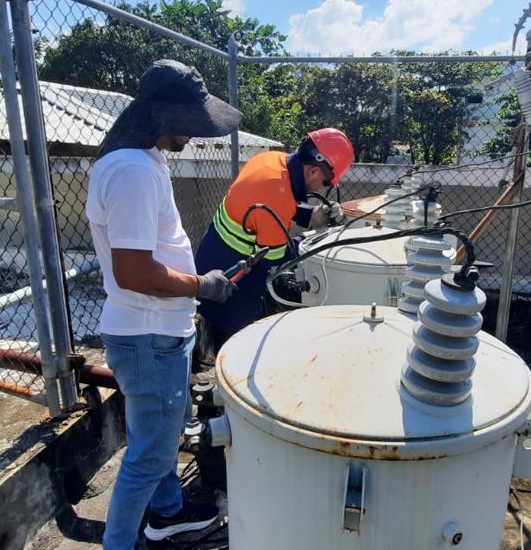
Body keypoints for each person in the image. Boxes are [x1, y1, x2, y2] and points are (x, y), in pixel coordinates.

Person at [86, 59, 240, 549]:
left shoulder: (139, 160)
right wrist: (201, 284)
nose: (195, 134)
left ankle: (169, 512)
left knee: (152, 436)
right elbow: (135, 273)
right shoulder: (133, 172)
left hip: (150, 331)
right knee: (150, 456)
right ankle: (120, 543)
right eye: (190, 123)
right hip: (148, 335)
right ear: (165, 115)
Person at [194, 128, 355, 346]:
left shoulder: (271, 160)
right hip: (232, 282)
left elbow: (280, 202)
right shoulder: (276, 195)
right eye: (327, 182)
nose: (322, 187)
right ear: (314, 172)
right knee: (237, 347)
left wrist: (312, 215)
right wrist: (316, 238)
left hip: (211, 256)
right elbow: (275, 262)